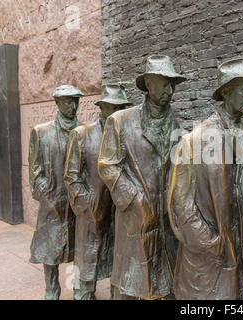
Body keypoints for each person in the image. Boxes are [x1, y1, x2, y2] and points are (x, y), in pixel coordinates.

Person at [168, 57, 243, 299]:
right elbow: (180, 202)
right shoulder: (194, 141)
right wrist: (208, 242)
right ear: (226, 91)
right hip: (209, 254)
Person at [98, 56, 185, 300]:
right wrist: (136, 200)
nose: (171, 90)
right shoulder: (120, 121)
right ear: (148, 83)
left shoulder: (175, 123)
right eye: (165, 83)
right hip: (135, 218)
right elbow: (107, 166)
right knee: (131, 283)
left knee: (165, 283)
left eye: (173, 85)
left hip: (167, 220)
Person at [64, 84, 131, 300]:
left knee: (116, 259)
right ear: (102, 107)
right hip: (91, 209)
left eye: (121, 107)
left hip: (119, 210)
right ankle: (82, 293)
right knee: (86, 257)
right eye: (112, 107)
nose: (117, 111)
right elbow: (71, 176)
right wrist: (86, 203)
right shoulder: (81, 134)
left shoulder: (126, 135)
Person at [28, 85, 84, 300]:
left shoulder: (83, 131)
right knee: (49, 249)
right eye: (68, 101)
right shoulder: (41, 132)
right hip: (53, 201)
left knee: (79, 248)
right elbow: (35, 169)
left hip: (78, 203)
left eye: (76, 100)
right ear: (58, 103)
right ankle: (52, 289)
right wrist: (45, 194)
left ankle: (79, 289)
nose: (73, 105)